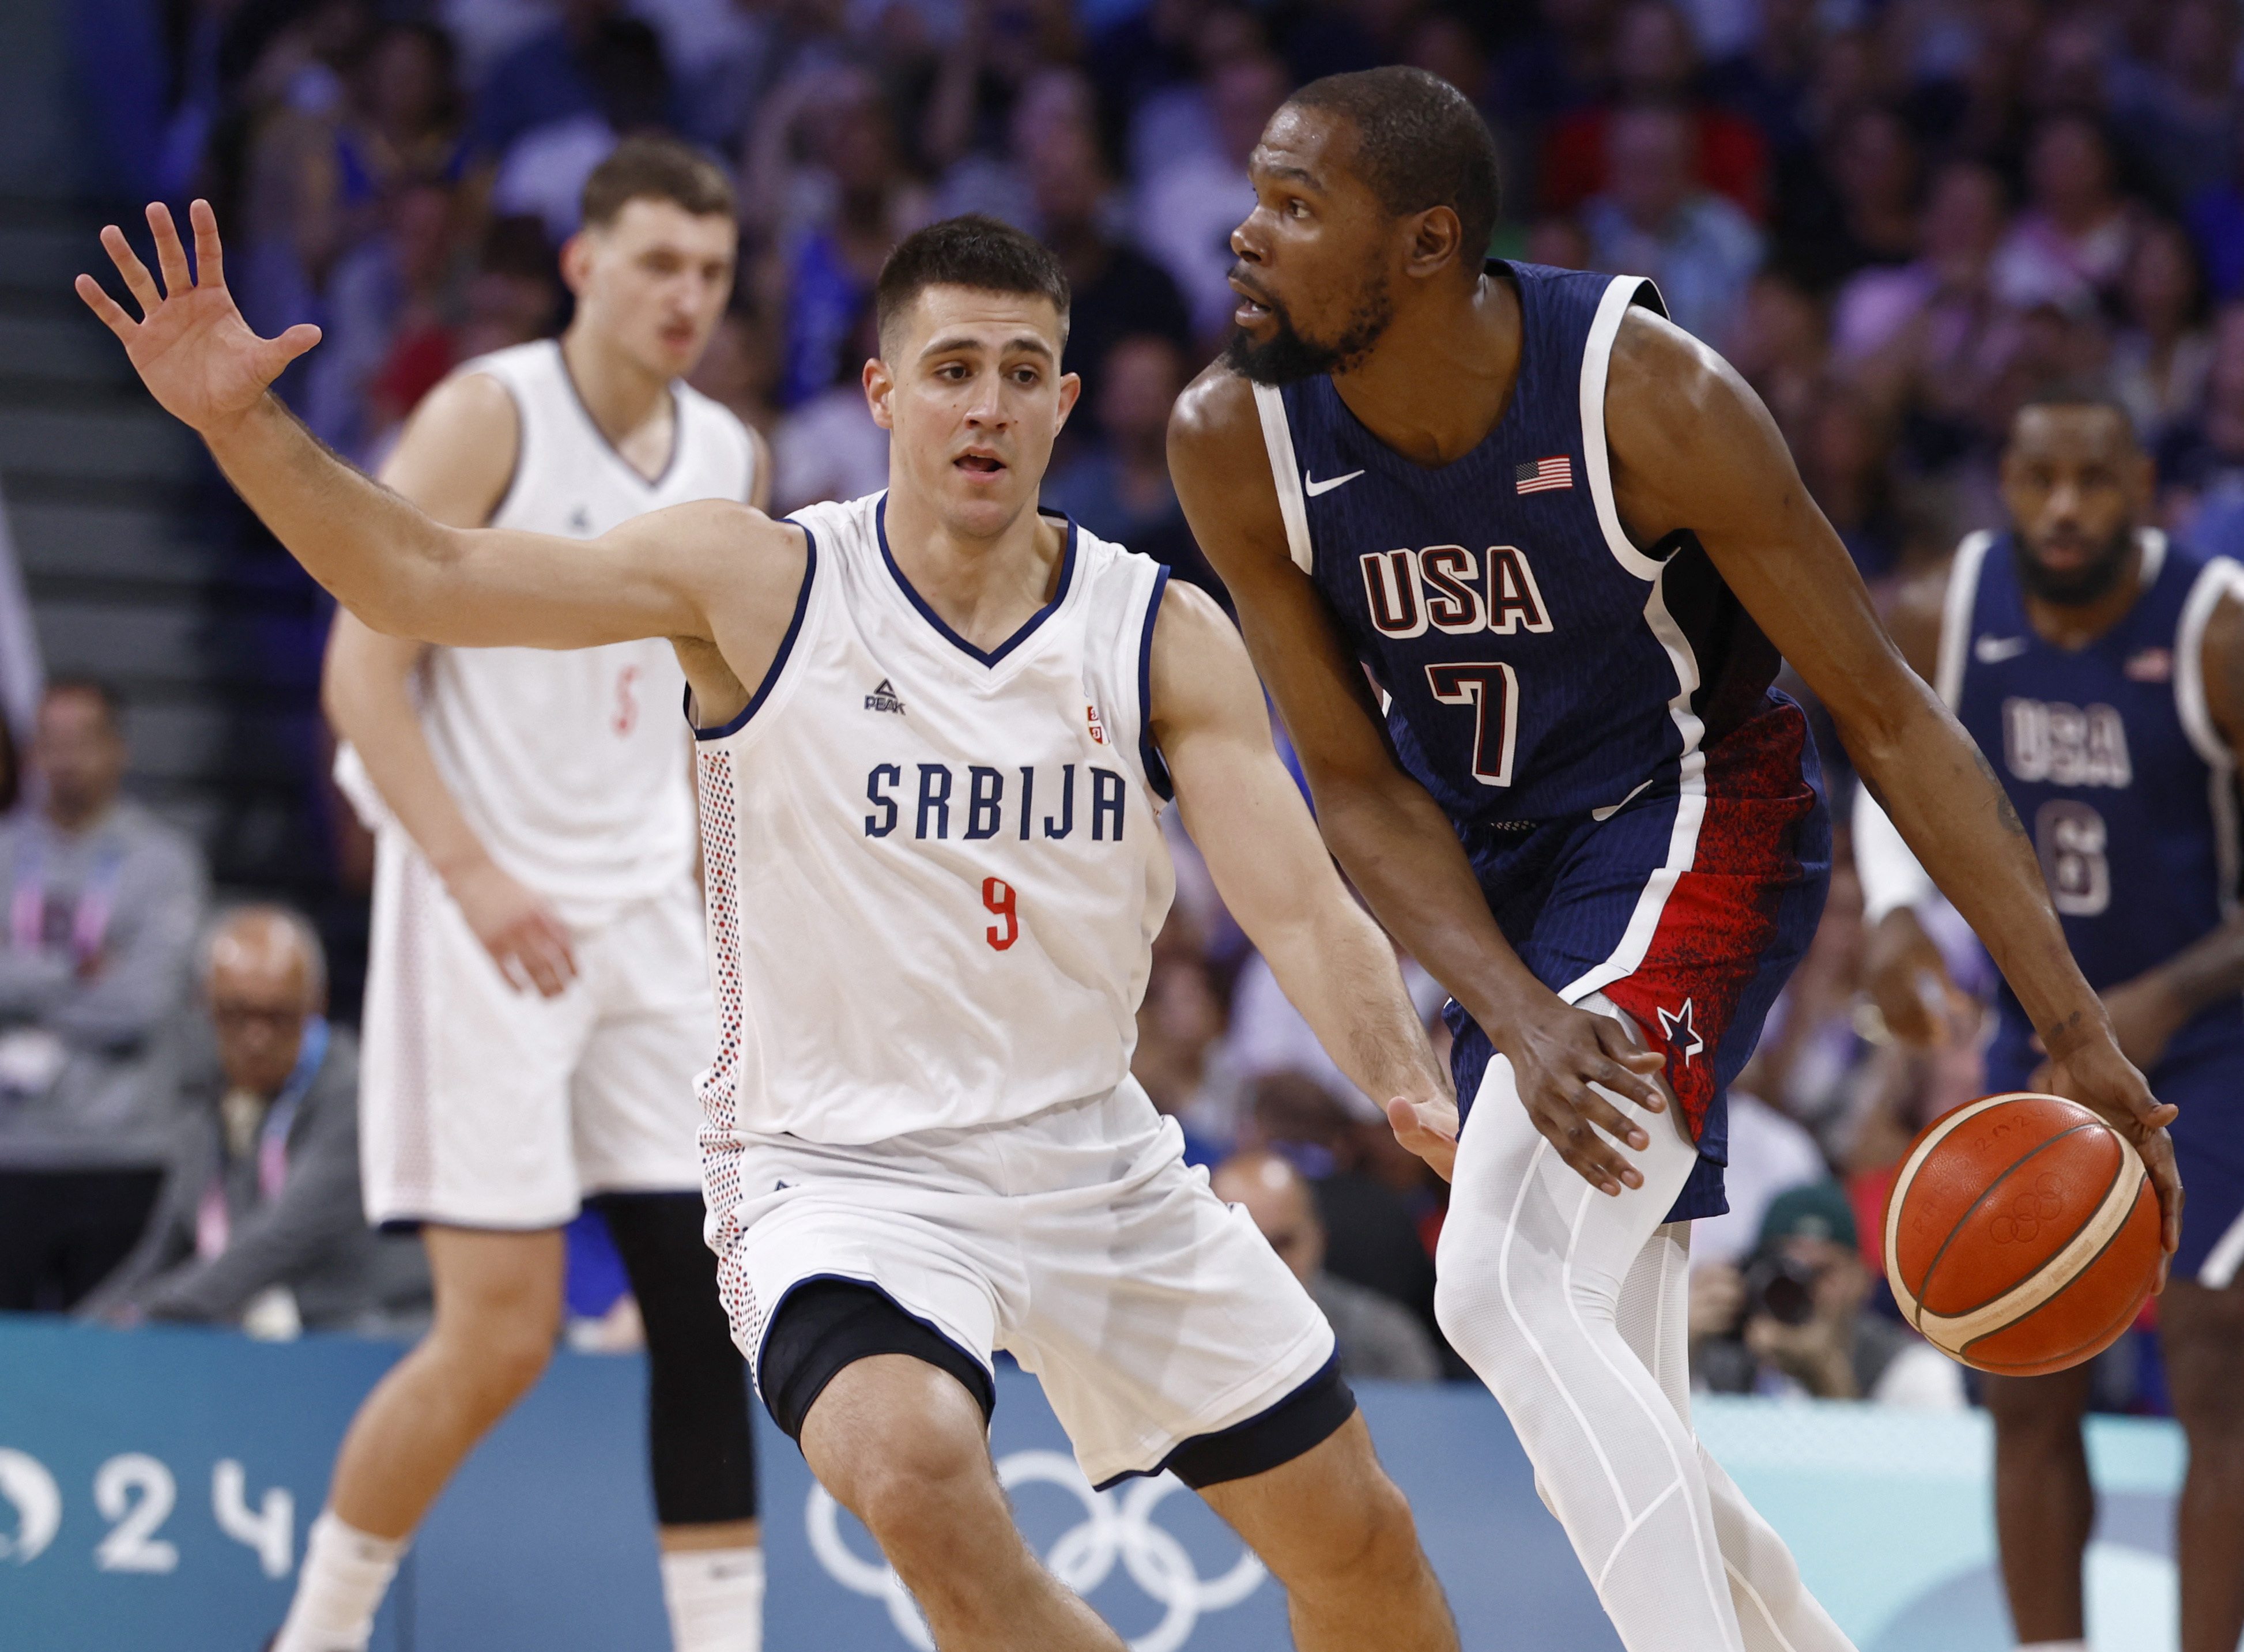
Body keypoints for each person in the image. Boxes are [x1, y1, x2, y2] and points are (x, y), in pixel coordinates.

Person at [79, 203, 1461, 1652]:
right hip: (838, 1174)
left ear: (1063, 402)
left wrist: (1407, 1078)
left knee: (1362, 1545)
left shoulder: (1154, 630)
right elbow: (418, 576)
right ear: (881, 393)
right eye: (949, 369)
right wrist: (243, 426)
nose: (984, 403)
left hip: (1090, 1155)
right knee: (913, 1467)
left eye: (1018, 371)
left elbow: (1300, 903)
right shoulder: (758, 582)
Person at [1165, 66, 2179, 1652]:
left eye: (1296, 208)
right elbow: (1353, 786)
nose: (1244, 235)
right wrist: (1506, 1002)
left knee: (1495, 1283)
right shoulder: (1233, 439)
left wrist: (2067, 1023)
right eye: (1255, 194)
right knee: (1611, 1380)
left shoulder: (1647, 394)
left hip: (1695, 818)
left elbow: (1886, 714)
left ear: (1423, 246)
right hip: (1495, 884)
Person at [301, 137, 768, 1652]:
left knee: (707, 1322)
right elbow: (360, 668)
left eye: (709, 269)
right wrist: (469, 871)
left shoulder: (729, 458)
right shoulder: (485, 412)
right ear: (582, 263)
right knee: (495, 1340)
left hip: (648, 920)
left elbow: (718, 713)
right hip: (481, 907)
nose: (684, 295)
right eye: (655, 263)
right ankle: (310, 1635)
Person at [1859, 393, 2244, 1652]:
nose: (2063, 509)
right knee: (2022, 1371)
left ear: (2142, 483)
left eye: (2091, 480)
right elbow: (1887, 747)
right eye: (2036, 481)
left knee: (2208, 1359)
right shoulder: (1944, 608)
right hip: (2054, 1026)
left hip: (2214, 1035)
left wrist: (2165, 993)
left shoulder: (2212, 629)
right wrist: (1897, 910)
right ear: (2002, 482)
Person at [80, 906, 429, 1336]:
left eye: (279, 1017)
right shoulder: (203, 1092)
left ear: (315, 1005)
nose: (257, 1037)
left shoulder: (355, 1095)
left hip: (363, 1332)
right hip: (261, 1337)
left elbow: (275, 1242)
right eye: (235, 1014)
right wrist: (80, 1332)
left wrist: (141, 1318)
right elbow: (163, 1252)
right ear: (203, 1003)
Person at [0, 680, 206, 1314]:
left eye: (82, 741)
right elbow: (109, 991)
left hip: (124, 1150)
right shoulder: (6, 853)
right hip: (12, 1148)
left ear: (118, 749)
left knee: (105, 1355)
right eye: (51, 741)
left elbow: (142, 1003)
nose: (65, 758)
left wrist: (22, 985)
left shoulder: (162, 861)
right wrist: (77, 971)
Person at [1687, 1181, 1963, 1408]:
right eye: (1785, 1270)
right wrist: (1679, 1344)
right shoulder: (1719, 1352)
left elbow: (1915, 1473)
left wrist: (1825, 1377)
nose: (1802, 1287)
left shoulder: (1911, 1368)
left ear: (1862, 1280)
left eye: (1822, 1272)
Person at [1212, 1149, 1441, 1382]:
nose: (1268, 1261)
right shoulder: (1180, 1345)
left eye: (1283, 1244)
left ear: (1319, 1238)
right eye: (1244, 1244)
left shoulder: (1382, 1341)